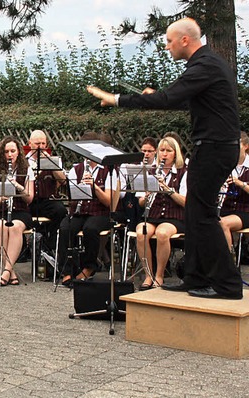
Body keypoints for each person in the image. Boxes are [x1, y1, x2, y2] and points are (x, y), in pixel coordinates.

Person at [87, 17, 243, 299]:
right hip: (213, 146)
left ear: (185, 40)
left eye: (169, 41)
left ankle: (228, 285)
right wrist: (160, 95)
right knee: (196, 213)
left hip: (215, 147)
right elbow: (182, 99)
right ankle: (195, 279)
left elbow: (168, 99)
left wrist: (117, 100)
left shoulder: (203, 65)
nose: (167, 47)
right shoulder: (207, 64)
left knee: (205, 215)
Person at [58, 132, 123, 286]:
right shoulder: (77, 169)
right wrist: (73, 191)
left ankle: (89, 267)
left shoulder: (109, 170)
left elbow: (109, 201)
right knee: (66, 227)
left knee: (91, 229)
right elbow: (72, 199)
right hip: (81, 210)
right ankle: (67, 271)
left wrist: (94, 186)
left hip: (102, 212)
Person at [135, 137, 188, 289]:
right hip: (153, 215)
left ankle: (159, 275)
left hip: (175, 216)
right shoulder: (150, 171)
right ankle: (148, 275)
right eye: (162, 150)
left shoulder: (183, 172)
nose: (164, 154)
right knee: (141, 232)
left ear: (175, 153)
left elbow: (186, 202)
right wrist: (146, 195)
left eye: (168, 151)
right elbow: (140, 202)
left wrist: (168, 190)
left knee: (162, 233)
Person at [0, 136, 35, 286]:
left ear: (18, 152)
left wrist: (18, 186)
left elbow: (30, 198)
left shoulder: (27, 169)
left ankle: (5, 270)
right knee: (0, 226)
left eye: (13, 151)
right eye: (6, 152)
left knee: (16, 227)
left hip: (20, 210)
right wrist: (1, 198)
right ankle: (10, 271)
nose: (9, 155)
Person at [25, 129, 67, 253]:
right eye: (38, 144)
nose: (41, 147)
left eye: (43, 144)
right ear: (30, 144)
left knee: (61, 211)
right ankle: (27, 247)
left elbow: (64, 181)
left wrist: (50, 164)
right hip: (29, 201)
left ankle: (50, 245)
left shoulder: (53, 160)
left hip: (47, 200)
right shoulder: (23, 161)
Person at [220, 132, 249, 254]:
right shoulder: (226, 165)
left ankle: (228, 260)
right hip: (226, 207)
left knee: (223, 223)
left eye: (238, 146)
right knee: (205, 221)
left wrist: (240, 183)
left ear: (246, 146)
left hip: (245, 210)